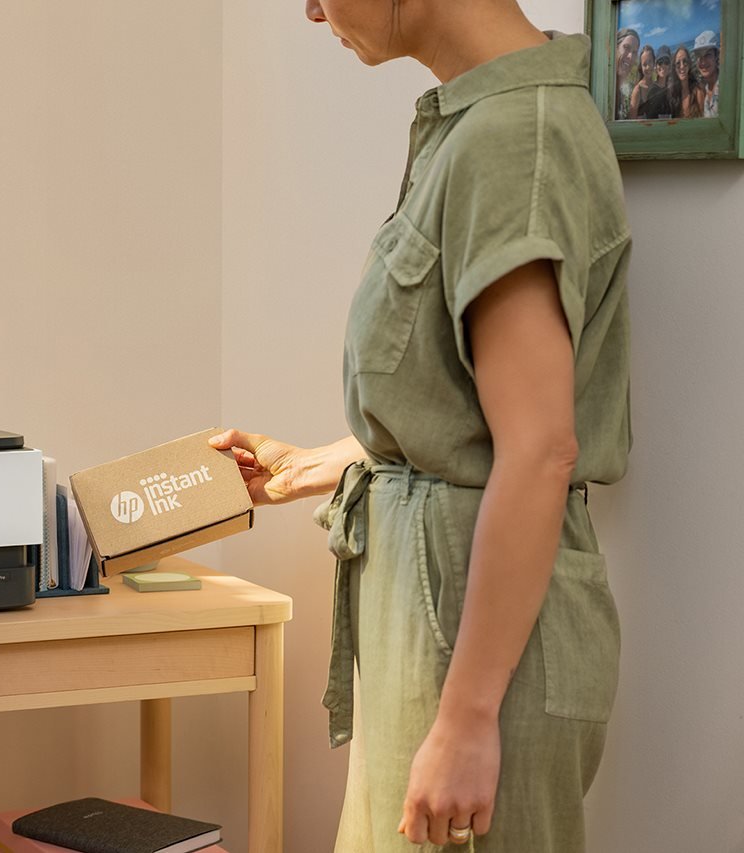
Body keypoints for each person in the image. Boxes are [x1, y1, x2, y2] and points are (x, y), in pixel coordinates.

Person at [212, 1, 630, 851]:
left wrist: (470, 717)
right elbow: (468, 415)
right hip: (436, 630)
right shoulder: (478, 123)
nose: (312, 8)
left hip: (477, 659)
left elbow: (539, 449)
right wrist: (316, 465)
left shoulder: (518, 140)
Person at [692, 31, 719, 118]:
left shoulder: (728, 88)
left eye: (707, 55)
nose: (703, 62)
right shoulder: (707, 89)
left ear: (716, 56)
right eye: (699, 56)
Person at [614, 27, 640, 119]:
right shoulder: (603, 89)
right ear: (616, 48)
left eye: (634, 52)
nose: (630, 56)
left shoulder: (621, 91)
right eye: (626, 47)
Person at [672, 45, 700, 118]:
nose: (682, 66)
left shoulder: (697, 92)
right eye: (678, 63)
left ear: (690, 64)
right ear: (674, 68)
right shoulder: (673, 94)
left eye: (685, 61)